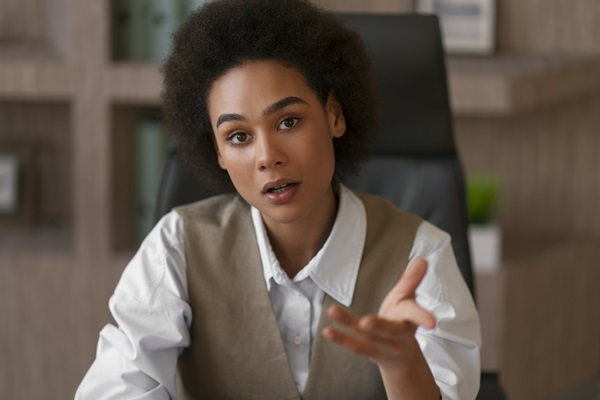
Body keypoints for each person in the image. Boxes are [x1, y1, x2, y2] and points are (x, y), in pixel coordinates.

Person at [76, 0, 480, 398]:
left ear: (335, 115)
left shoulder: (420, 254)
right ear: (218, 153)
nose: (267, 156)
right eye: (238, 137)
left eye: (288, 121)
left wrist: (402, 363)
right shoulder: (176, 247)